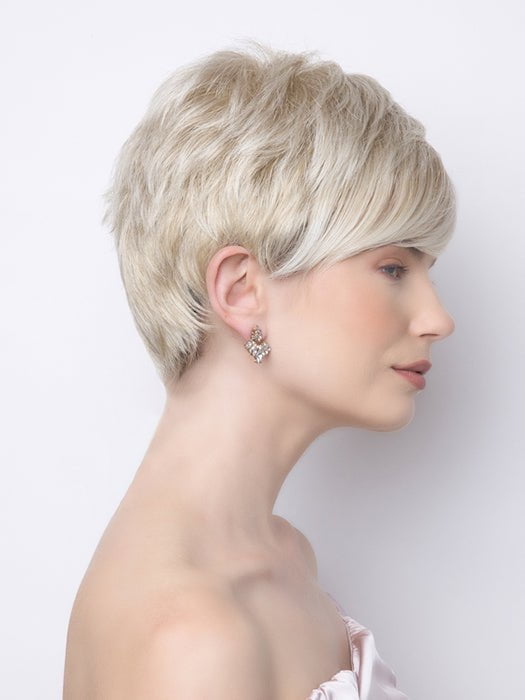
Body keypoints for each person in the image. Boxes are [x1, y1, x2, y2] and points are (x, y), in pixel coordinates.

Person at [63, 40, 456, 699]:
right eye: (393, 268)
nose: (438, 319)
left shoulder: (283, 557)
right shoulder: (192, 639)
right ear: (242, 290)